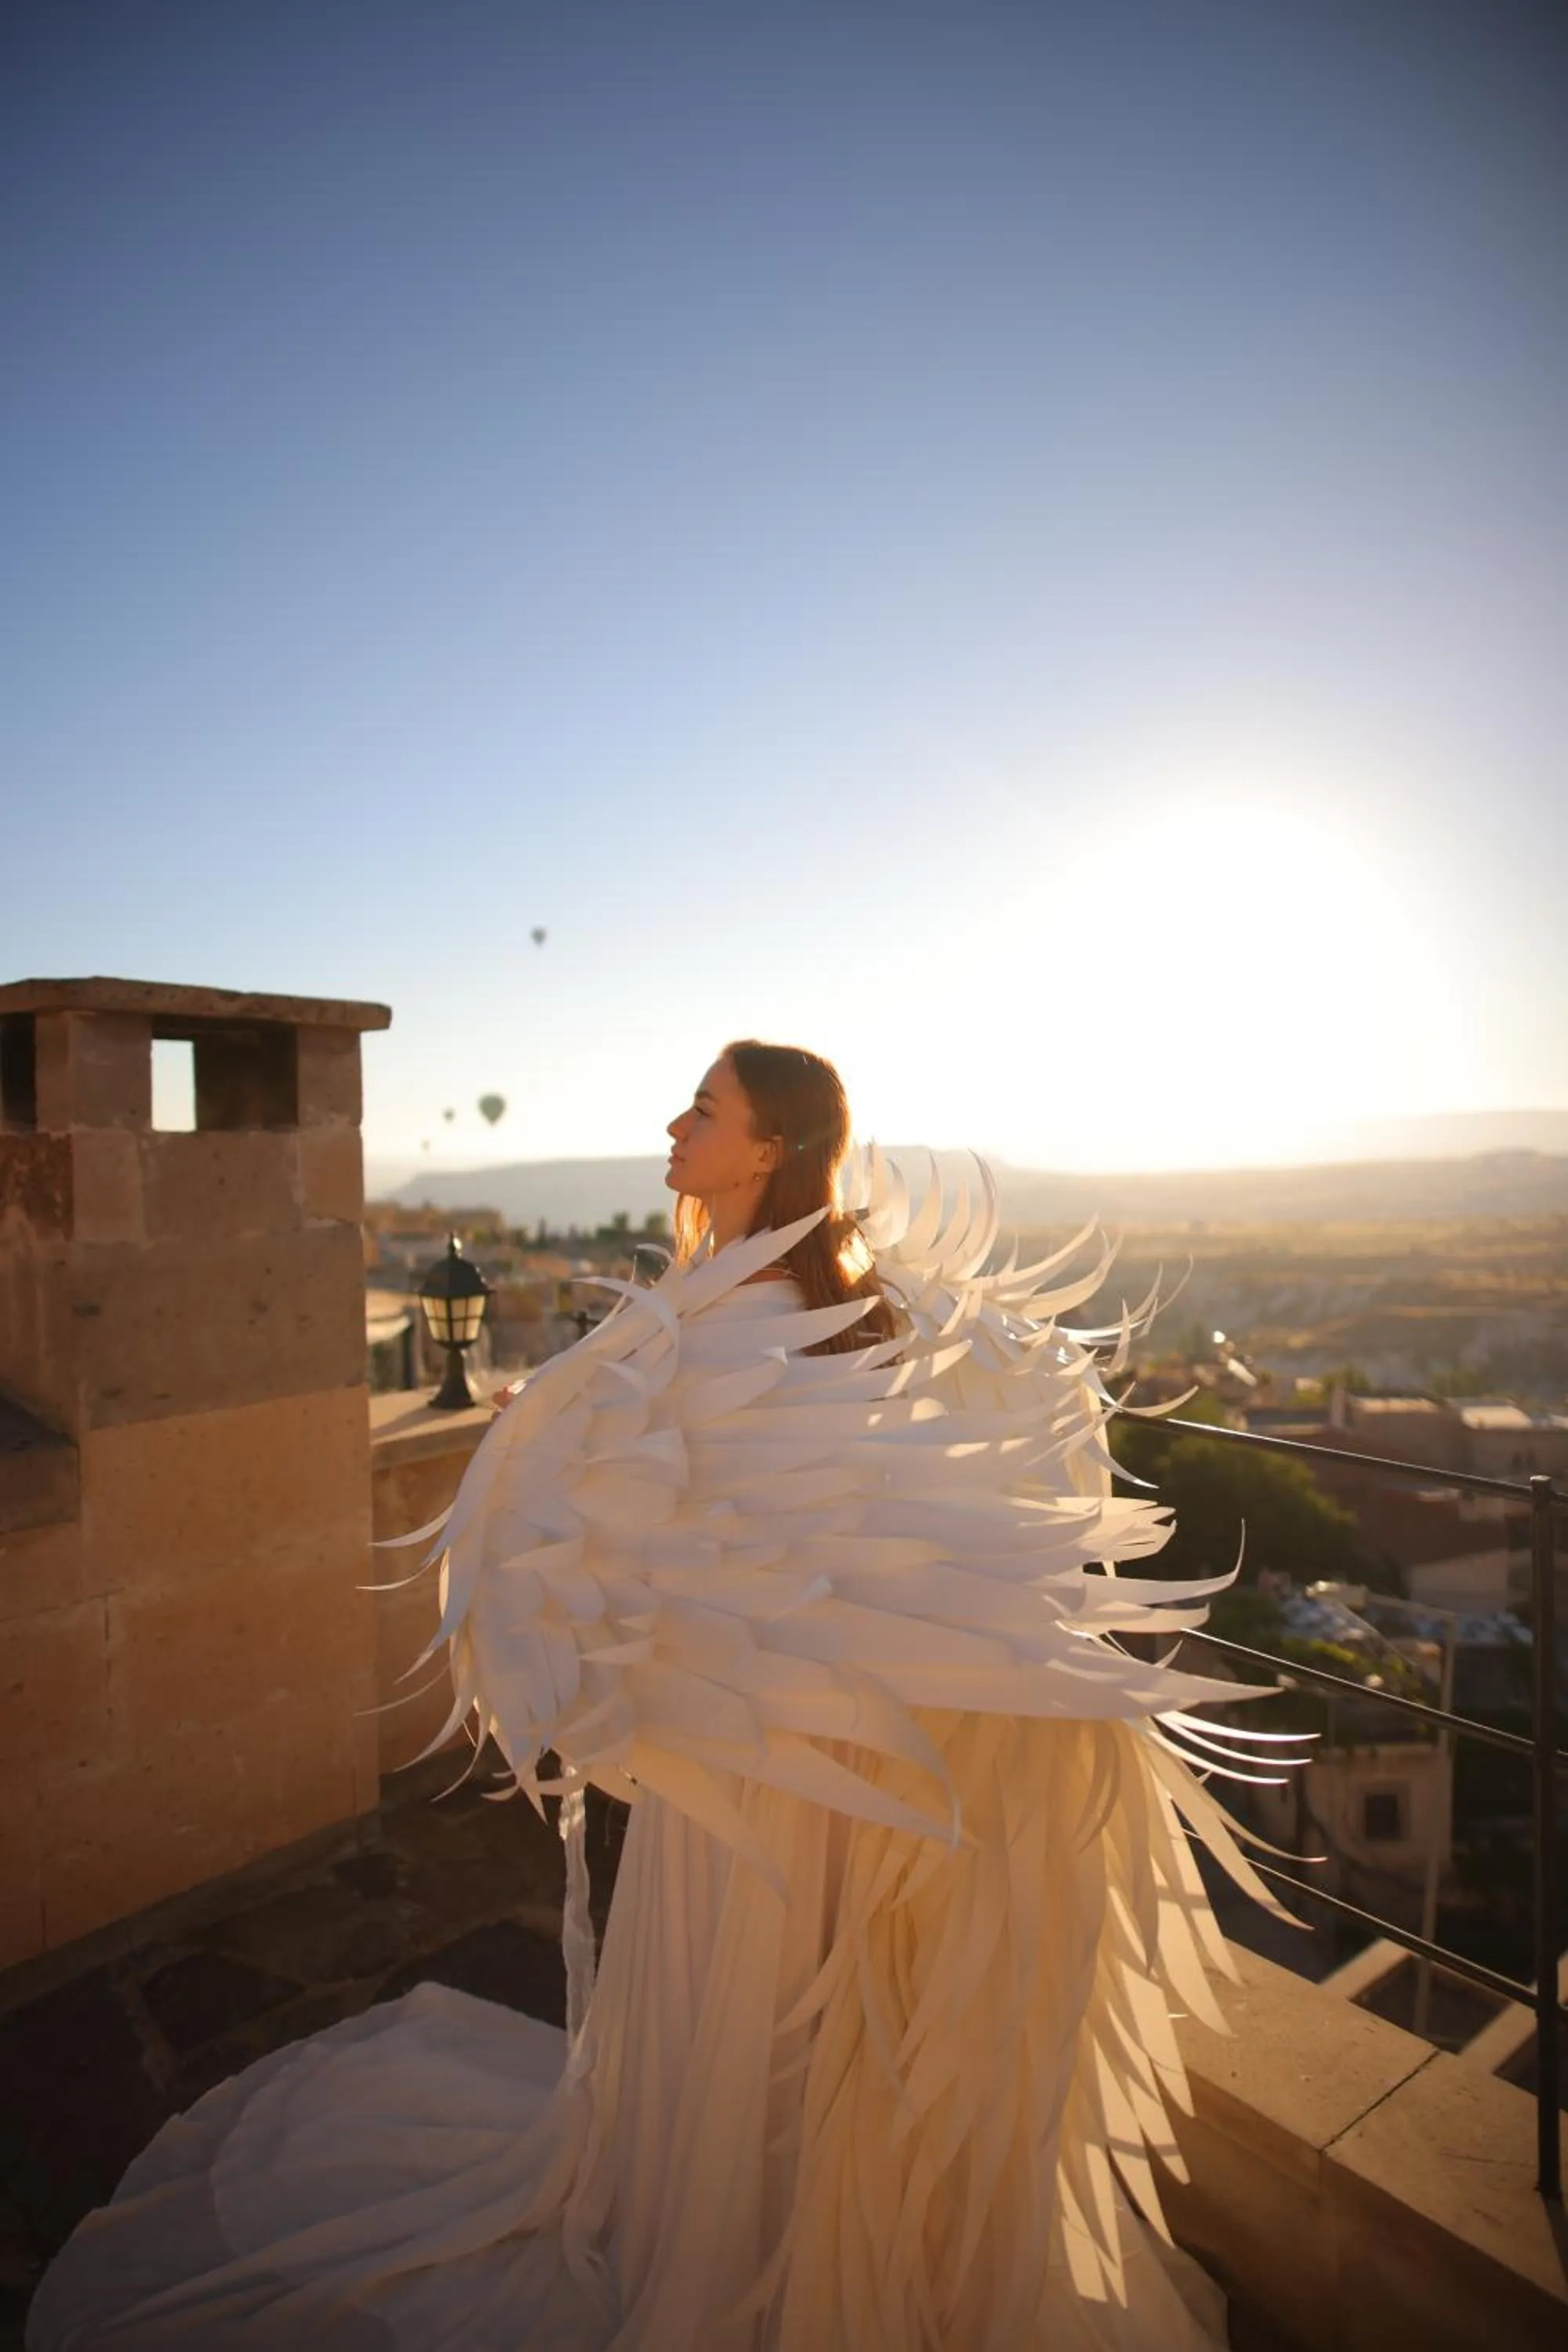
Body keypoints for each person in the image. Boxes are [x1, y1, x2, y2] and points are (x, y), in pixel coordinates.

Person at [27, 1040, 1304, 2351]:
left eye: (706, 1110)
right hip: (811, 1754)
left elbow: (753, 1533)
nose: (676, 1126)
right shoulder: (837, 1309)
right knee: (792, 2023)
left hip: (766, 1761)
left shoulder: (724, 1325)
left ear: (769, 1150)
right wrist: (581, 1428)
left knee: (748, 2008)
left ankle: (730, 2258)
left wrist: (563, 1451)